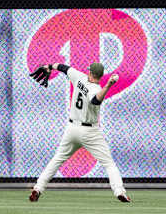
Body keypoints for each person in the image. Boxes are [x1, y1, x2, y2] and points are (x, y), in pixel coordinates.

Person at [29, 62, 131, 203]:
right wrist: (108, 85)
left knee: (57, 159)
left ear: (90, 72)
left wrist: (49, 66)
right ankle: (119, 191)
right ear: (100, 76)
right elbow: (95, 100)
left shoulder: (79, 77)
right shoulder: (96, 88)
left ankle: (38, 188)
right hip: (90, 132)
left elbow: (63, 67)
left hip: (72, 129)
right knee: (108, 164)